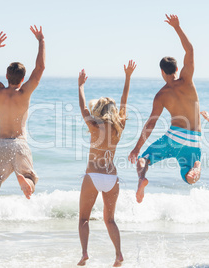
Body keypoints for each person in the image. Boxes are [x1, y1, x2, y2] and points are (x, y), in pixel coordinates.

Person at [128, 14, 202, 203]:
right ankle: (196, 168)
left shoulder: (161, 95)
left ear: (162, 72)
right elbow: (190, 50)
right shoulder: (187, 81)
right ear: (177, 69)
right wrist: (177, 27)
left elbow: (150, 124)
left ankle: (141, 180)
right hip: (194, 139)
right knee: (189, 178)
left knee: (144, 159)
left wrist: (137, 149)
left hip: (173, 137)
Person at [77, 60, 136, 267]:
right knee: (110, 220)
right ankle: (118, 254)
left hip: (93, 175)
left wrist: (80, 85)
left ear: (99, 110)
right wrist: (127, 77)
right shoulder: (119, 126)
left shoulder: (93, 125)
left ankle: (84, 253)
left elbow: (84, 107)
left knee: (84, 218)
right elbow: (124, 100)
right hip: (112, 177)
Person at [0, 26, 45, 203]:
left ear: (6, 75)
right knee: (29, 177)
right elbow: (40, 68)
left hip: (1, 143)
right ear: (23, 78)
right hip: (19, 143)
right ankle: (26, 184)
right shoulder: (24, 93)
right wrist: (41, 41)